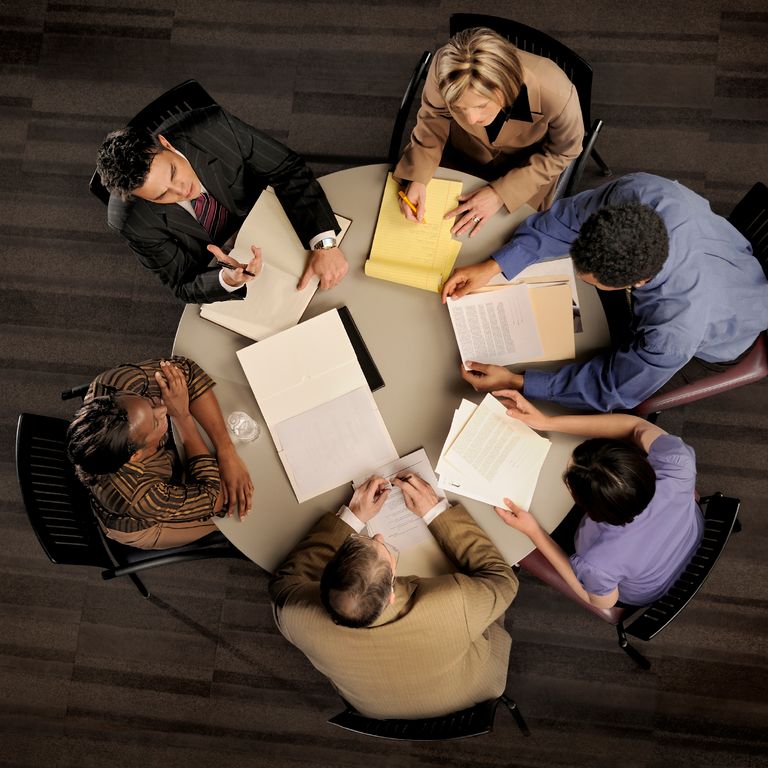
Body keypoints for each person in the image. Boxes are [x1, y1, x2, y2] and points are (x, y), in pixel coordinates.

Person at [443, 172, 768, 411]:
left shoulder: (673, 333)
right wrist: (495, 266)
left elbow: (614, 387)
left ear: (634, 285)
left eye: (592, 282)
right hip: (725, 258)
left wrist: (518, 382)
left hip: (723, 335)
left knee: (627, 406)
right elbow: (566, 221)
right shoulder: (642, 193)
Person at [269, 473, 518, 719]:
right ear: (390, 595)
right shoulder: (454, 602)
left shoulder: (294, 618)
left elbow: (284, 584)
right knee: (488, 603)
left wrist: (352, 518)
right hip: (467, 692)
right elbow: (503, 579)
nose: (378, 536)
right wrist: (435, 512)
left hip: (374, 710)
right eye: (383, 549)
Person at [96, 104, 348, 303]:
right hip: (232, 267)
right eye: (161, 196)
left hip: (277, 218)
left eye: (173, 173)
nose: (182, 191)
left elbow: (288, 169)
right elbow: (181, 283)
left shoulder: (215, 128)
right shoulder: (130, 221)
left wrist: (325, 245)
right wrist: (226, 279)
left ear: (166, 144)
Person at [492, 390, 703, 608]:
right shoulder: (678, 463)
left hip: (647, 588)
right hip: (689, 533)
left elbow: (601, 602)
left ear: (585, 507)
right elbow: (636, 427)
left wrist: (534, 532)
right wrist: (546, 422)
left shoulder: (597, 561)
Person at [394, 27, 583, 237]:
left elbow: (563, 152)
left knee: (504, 244)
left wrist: (501, 193)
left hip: (524, 171)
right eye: (459, 107)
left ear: (505, 86)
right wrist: (418, 177)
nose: (472, 119)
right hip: (460, 155)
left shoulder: (558, 92)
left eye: (481, 105)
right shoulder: (443, 67)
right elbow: (434, 116)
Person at [66, 357, 253, 549]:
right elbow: (214, 498)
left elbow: (186, 372)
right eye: (155, 422)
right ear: (135, 456)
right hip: (146, 521)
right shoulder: (140, 497)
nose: (163, 408)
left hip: (161, 466)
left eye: (148, 401)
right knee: (241, 510)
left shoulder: (115, 384)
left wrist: (226, 450)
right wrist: (182, 416)